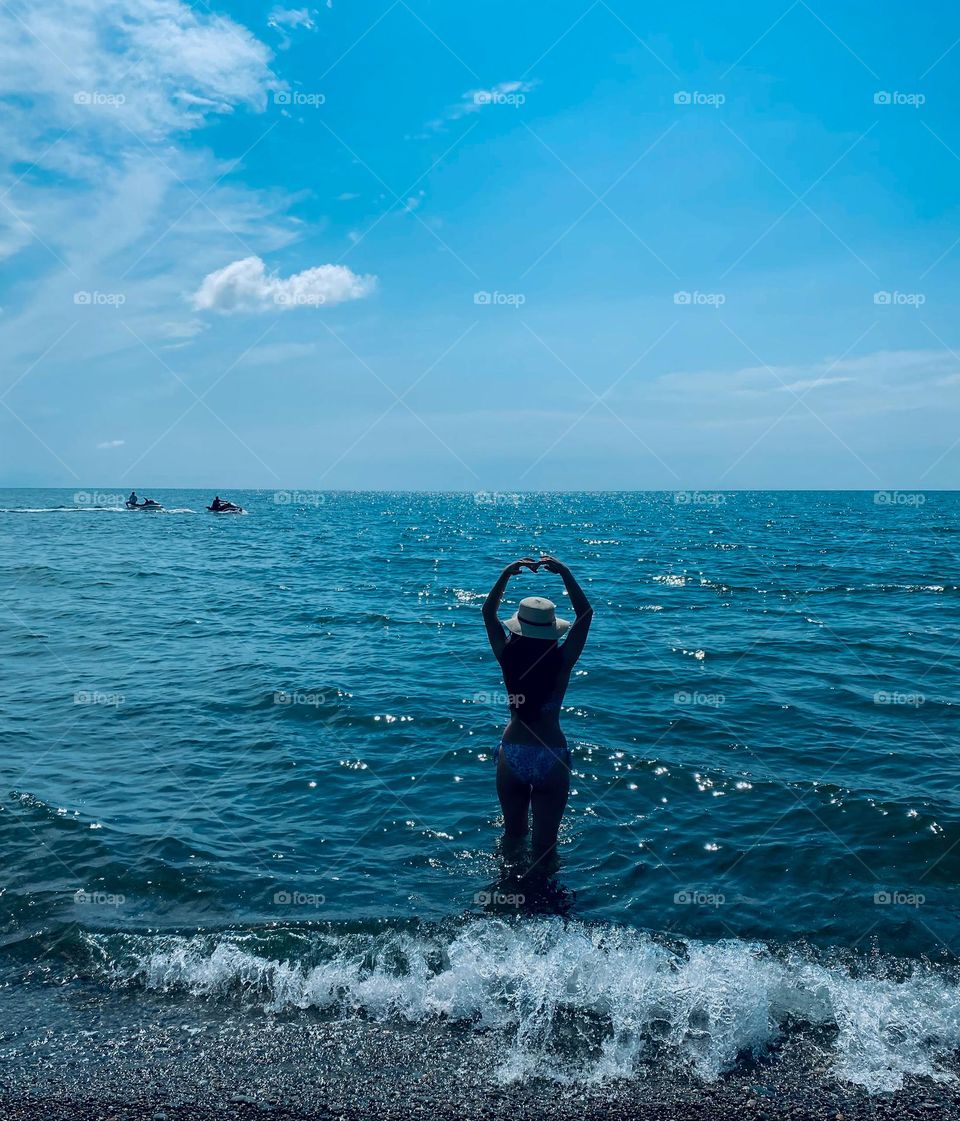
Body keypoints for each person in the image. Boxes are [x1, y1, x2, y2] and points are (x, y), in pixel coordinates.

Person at [482, 554, 593, 863]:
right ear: (551, 629)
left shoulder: (507, 655)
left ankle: (505, 897)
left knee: (512, 837)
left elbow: (488, 613)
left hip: (513, 751)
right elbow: (585, 614)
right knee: (546, 848)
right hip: (550, 754)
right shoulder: (562, 661)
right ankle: (545, 905)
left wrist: (506, 573)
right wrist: (566, 572)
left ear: (519, 627)